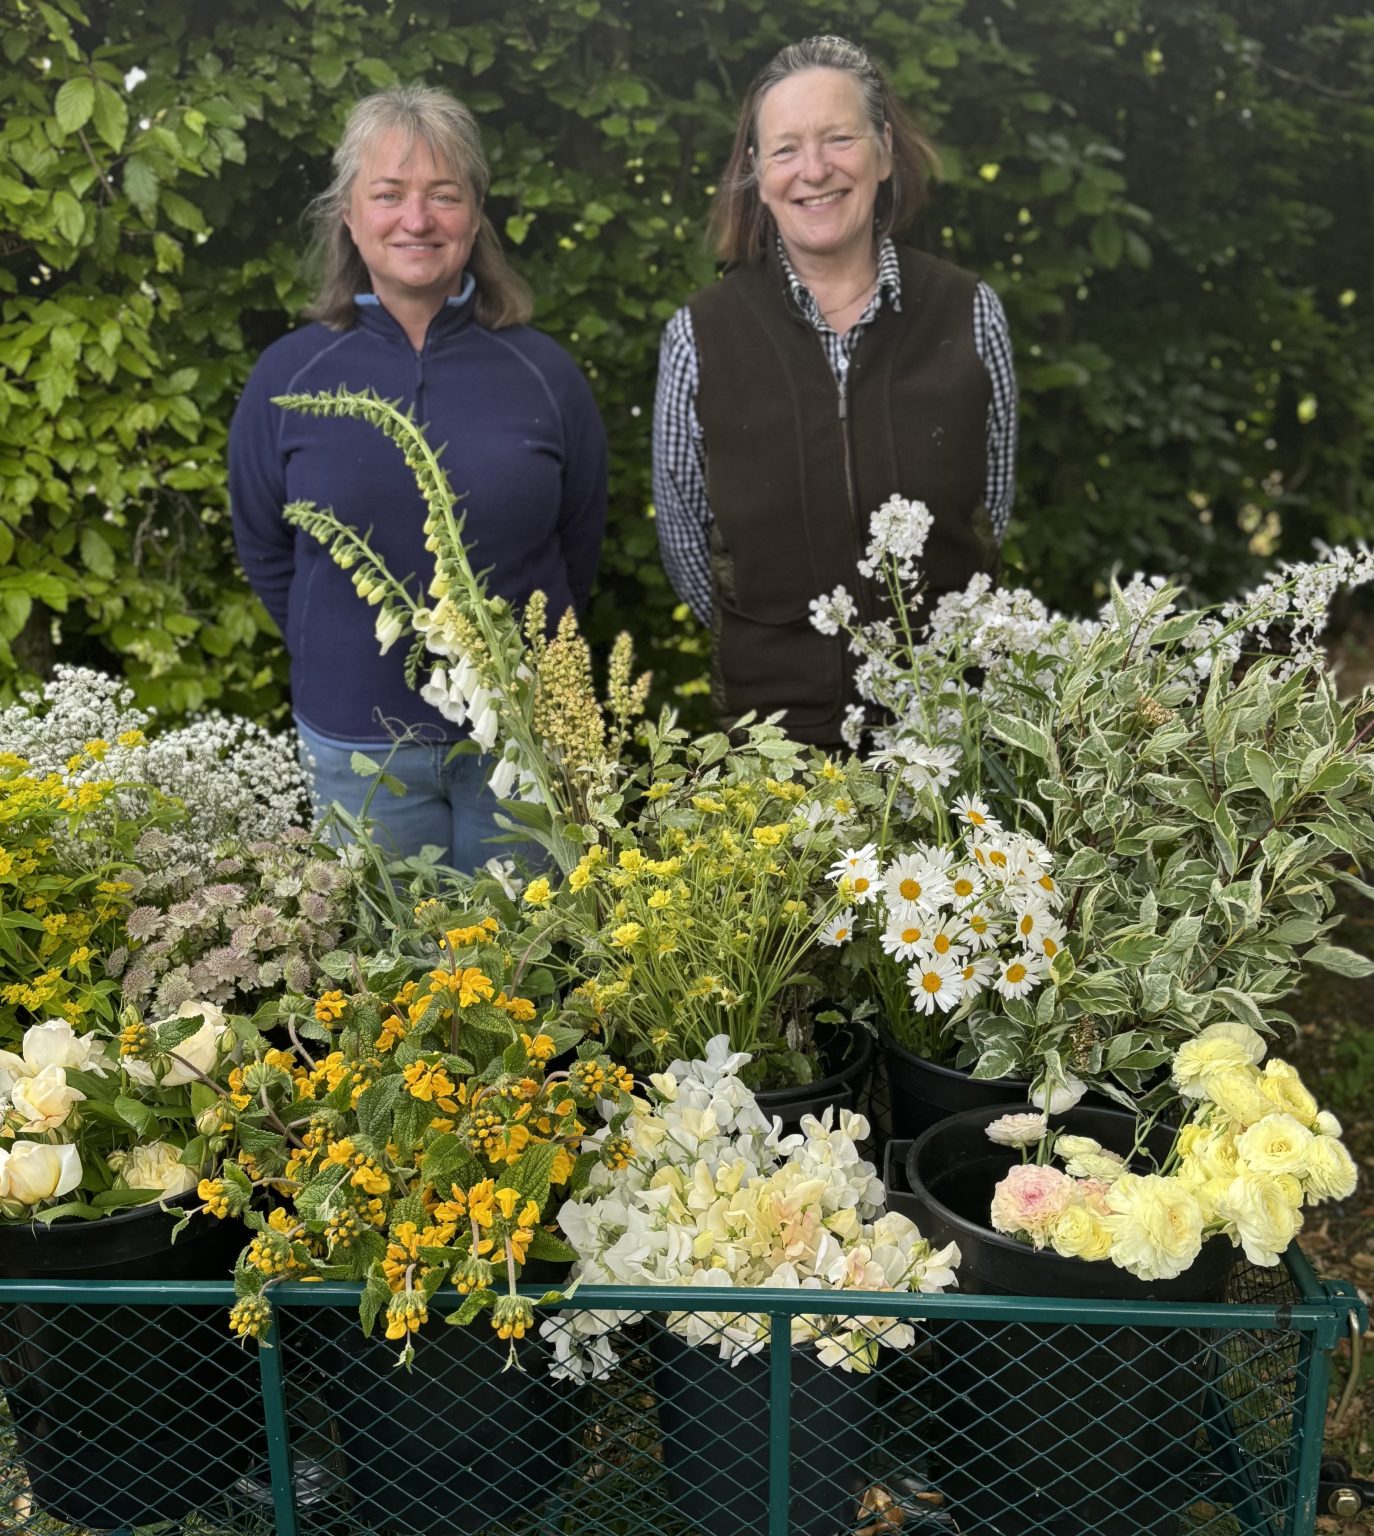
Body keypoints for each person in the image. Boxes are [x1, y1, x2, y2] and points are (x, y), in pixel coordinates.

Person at [230, 86, 607, 869]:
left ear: (474, 215)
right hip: (358, 745)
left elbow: (577, 546)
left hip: (523, 737)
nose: (417, 219)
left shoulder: (545, 375)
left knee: (529, 945)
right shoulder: (289, 378)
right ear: (348, 213)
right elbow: (265, 548)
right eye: (389, 194)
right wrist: (339, 647)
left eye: (444, 195)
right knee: (381, 950)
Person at [653, 35, 1017, 747]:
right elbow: (692, 552)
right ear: (758, 172)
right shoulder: (700, 335)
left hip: (949, 739)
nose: (814, 169)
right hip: (776, 746)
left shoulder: (969, 314)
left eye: (839, 139)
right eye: (786, 149)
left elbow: (986, 520)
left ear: (884, 152)